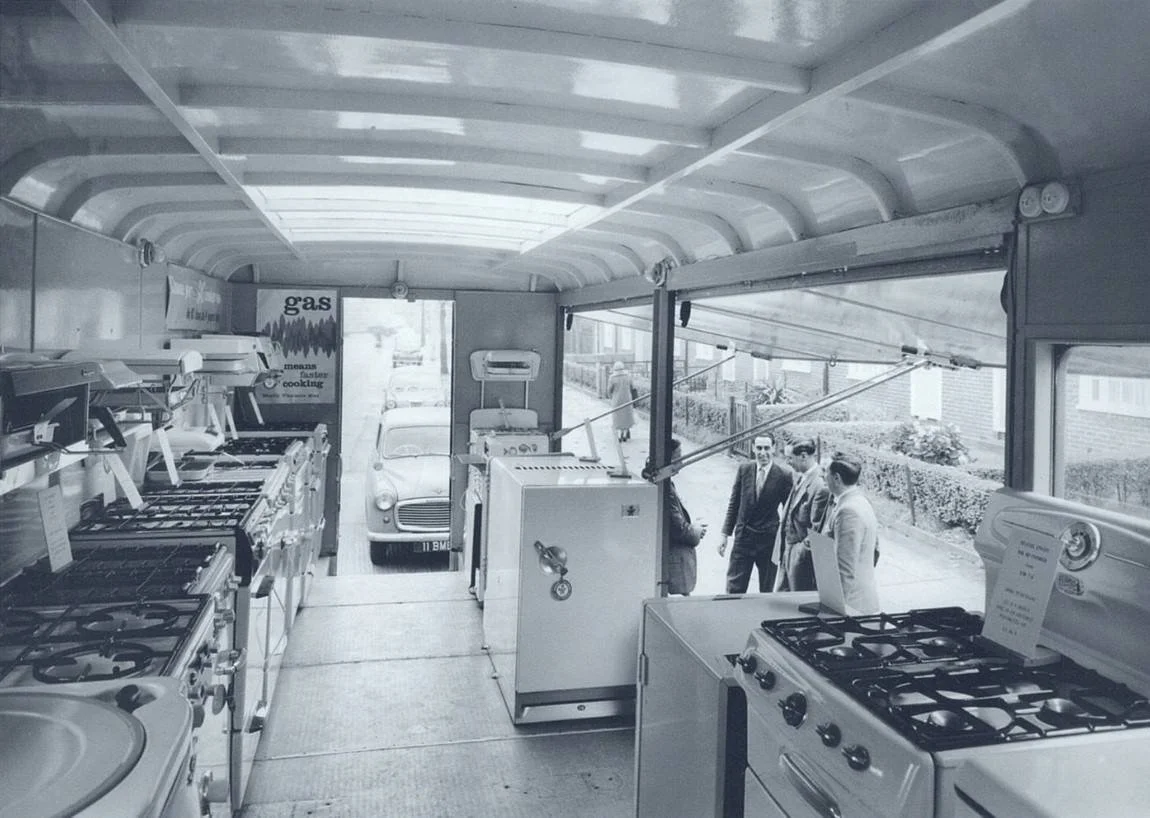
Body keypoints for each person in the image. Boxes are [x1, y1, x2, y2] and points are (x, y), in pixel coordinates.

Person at [717, 434, 793, 593]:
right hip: (743, 539)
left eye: (766, 448)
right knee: (733, 589)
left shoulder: (784, 475)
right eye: (759, 448)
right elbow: (734, 503)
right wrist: (725, 534)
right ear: (753, 448)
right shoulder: (745, 469)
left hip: (768, 541)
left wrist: (785, 544)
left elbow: (788, 513)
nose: (762, 453)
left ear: (773, 448)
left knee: (766, 591)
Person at [821, 452, 880, 614]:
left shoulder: (848, 511)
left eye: (826, 472)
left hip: (852, 606)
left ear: (837, 478)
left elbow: (844, 569)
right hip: (860, 598)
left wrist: (835, 610)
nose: (823, 476)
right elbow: (875, 551)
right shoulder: (861, 502)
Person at [772, 438, 831, 592]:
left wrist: (797, 554)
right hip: (787, 555)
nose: (787, 462)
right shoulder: (801, 476)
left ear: (803, 456)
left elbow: (816, 533)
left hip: (801, 564)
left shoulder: (820, 486)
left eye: (790, 458)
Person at [663, 438, 706, 595]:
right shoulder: (666, 488)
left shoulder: (667, 484)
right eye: (678, 457)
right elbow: (679, 530)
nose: (681, 462)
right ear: (669, 459)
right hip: (674, 568)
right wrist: (696, 530)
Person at [606, 361, 635, 442]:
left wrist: (611, 398)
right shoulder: (628, 376)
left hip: (617, 400)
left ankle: (619, 435)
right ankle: (625, 434)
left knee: (617, 417)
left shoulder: (612, 378)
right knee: (627, 417)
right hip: (627, 400)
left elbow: (609, 390)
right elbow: (632, 386)